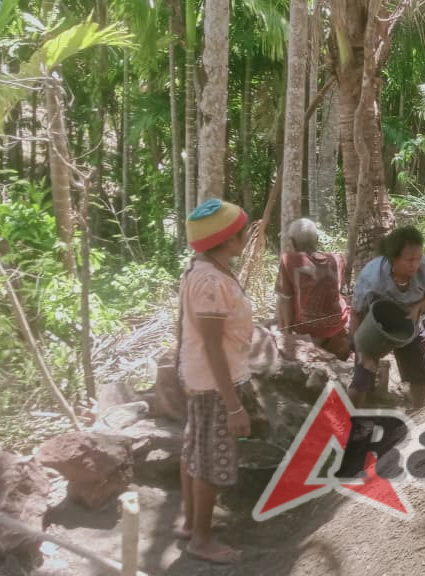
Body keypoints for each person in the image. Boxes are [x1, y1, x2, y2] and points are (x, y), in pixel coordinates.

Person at [175, 199, 253, 564]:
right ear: (229, 240)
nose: (247, 237)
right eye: (243, 232)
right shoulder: (210, 281)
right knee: (210, 458)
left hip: (201, 378)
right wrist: (233, 404)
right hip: (214, 383)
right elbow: (211, 343)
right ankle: (201, 539)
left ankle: (192, 523)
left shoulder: (203, 270)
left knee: (194, 450)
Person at [349, 226, 425, 410]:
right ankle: (351, 421)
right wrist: (359, 348)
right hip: (374, 326)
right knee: (363, 375)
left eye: (418, 258)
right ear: (393, 258)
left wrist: (418, 307)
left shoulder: (424, 267)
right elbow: (356, 312)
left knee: (420, 375)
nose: (415, 264)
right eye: (409, 260)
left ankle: (418, 413)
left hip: (409, 324)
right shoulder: (373, 277)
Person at [275, 218, 350, 360]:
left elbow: (285, 299)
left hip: (308, 328)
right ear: (317, 239)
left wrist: (286, 330)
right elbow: (341, 290)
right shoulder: (338, 259)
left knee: (284, 295)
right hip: (338, 322)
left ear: (292, 241)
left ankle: (286, 335)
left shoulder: (288, 260)